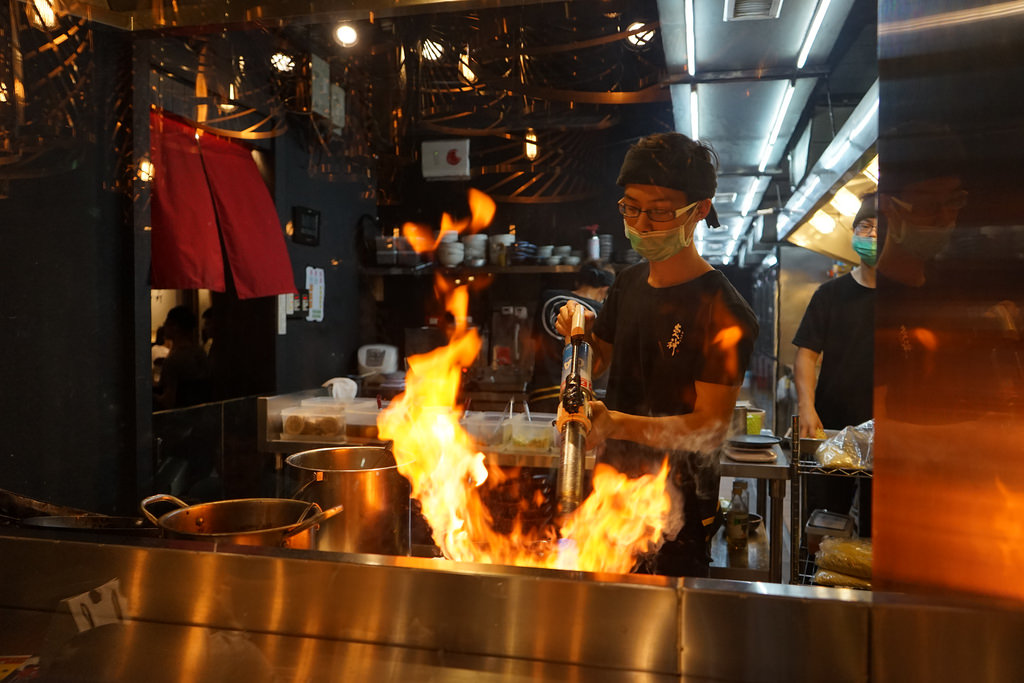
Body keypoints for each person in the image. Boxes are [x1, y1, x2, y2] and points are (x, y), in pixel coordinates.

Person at [555, 132, 759, 577]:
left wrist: (615, 423)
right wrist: (578, 333)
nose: (642, 224)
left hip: (675, 513)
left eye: (660, 211)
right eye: (631, 207)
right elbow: (600, 361)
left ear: (699, 210)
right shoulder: (627, 285)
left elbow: (707, 429)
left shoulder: (724, 311)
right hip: (610, 493)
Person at [791, 194, 877, 533]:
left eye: (880, 229)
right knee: (826, 521)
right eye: (865, 227)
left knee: (877, 530)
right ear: (853, 233)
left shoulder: (907, 298)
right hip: (833, 428)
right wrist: (807, 406)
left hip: (889, 432)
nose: (871, 235)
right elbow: (806, 354)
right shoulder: (829, 295)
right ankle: (819, 585)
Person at [529, 261, 615, 413]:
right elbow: (600, 363)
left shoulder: (547, 298)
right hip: (579, 395)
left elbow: (533, 342)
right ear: (605, 289)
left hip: (542, 392)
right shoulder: (601, 312)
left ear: (578, 281)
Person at [154, 305, 212, 410]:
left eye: (166, 323)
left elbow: (168, 402)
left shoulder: (173, 361)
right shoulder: (200, 353)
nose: (164, 326)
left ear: (175, 327)